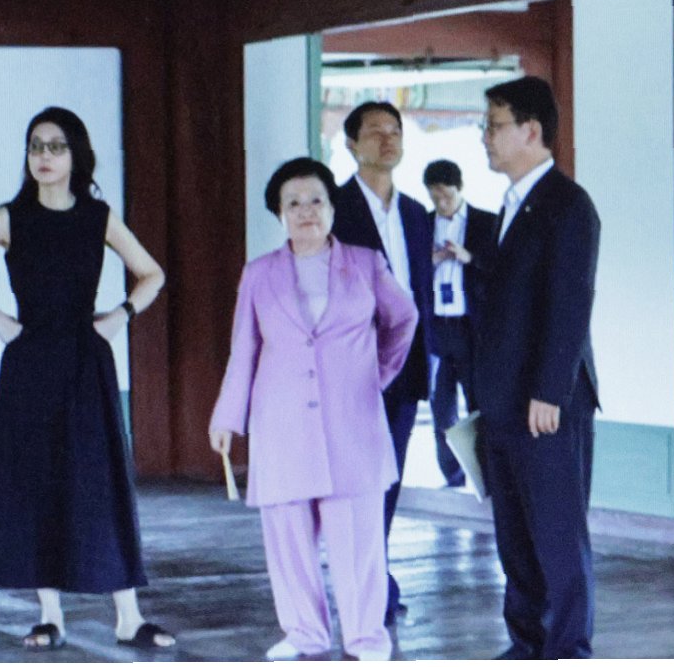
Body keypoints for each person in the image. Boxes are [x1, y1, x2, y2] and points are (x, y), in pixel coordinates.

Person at [0, 106, 174, 652]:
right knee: (37, 482)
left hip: (87, 360)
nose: (44, 156)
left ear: (75, 156)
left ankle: (129, 616)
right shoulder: (9, 217)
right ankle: (49, 614)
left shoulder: (98, 216)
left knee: (100, 481)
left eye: (56, 146)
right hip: (30, 362)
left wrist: (121, 315)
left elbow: (152, 274)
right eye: (36, 146)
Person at [210, 158, 417, 662]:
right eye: (294, 203)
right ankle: (305, 634)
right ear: (279, 213)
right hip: (281, 423)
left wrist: (375, 375)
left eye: (316, 200)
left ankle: (367, 639)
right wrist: (227, 417)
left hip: (354, 423)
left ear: (332, 208)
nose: (306, 211)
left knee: (359, 543)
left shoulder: (366, 263)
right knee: (289, 539)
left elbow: (403, 319)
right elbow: (244, 348)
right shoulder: (259, 274)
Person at [475, 76, 601, 659]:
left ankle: (568, 648)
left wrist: (550, 391)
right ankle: (526, 644)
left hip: (546, 404)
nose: (485, 137)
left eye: (494, 126)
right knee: (515, 537)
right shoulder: (506, 207)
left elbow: (571, 303)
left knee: (556, 535)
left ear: (531, 130)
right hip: (502, 402)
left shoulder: (567, 205)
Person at [330, 100, 437, 623]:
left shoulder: (416, 213)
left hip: (407, 365)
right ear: (351, 144)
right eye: (374, 131)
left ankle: (377, 581)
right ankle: (364, 585)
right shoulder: (332, 207)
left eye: (395, 130)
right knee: (356, 481)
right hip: (350, 367)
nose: (388, 139)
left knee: (389, 478)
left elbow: (421, 293)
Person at [422, 158, 498, 470]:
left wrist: (470, 258)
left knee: (478, 402)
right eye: (435, 197)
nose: (442, 203)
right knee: (441, 405)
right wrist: (431, 261)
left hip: (471, 327)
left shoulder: (486, 222)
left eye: (447, 196)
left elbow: (501, 271)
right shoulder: (422, 223)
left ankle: (484, 472)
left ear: (460, 188)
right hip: (436, 326)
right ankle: (451, 472)